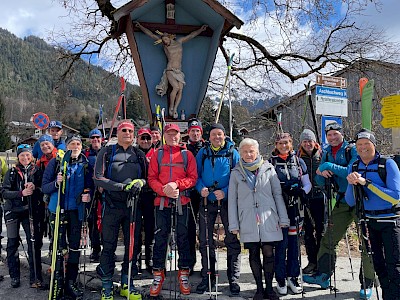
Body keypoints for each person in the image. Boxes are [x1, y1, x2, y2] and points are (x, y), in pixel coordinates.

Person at [303, 122, 375, 300]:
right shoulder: (327, 152)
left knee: (367, 243)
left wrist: (328, 166)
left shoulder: (352, 149)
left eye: (336, 134)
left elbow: (350, 172)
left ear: (341, 134)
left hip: (361, 200)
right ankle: (324, 275)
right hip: (343, 200)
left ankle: (367, 282)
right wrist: (321, 174)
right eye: (330, 135)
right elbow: (321, 182)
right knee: (329, 238)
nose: (333, 137)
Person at [228, 138, 289, 300]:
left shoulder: (268, 169)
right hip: (247, 219)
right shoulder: (236, 173)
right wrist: (233, 224)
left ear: (257, 152)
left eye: (251, 151)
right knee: (253, 253)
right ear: (240, 153)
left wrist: (283, 218)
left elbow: (277, 194)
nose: (248, 154)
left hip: (268, 218)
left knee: (269, 253)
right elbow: (232, 200)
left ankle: (270, 288)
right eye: (245, 151)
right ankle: (259, 289)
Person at [94, 120, 147, 300]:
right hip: (112, 206)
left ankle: (127, 283)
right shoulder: (107, 152)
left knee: (132, 248)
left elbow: (147, 178)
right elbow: (98, 178)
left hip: (132, 207)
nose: (127, 133)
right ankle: (107, 285)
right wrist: (120, 187)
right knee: (108, 246)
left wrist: (141, 182)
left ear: (134, 134)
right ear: (118, 133)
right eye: (123, 130)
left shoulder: (138, 154)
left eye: (130, 131)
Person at [345, 129, 400, 300]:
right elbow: (350, 201)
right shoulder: (354, 166)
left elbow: (395, 197)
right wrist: (351, 183)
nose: (362, 148)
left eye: (366, 144)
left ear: (374, 145)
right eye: (359, 145)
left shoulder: (387, 164)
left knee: (395, 266)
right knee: (379, 265)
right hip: (369, 221)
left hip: (390, 221)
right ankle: (387, 295)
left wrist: (366, 183)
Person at [147, 123, 197, 296]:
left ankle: (183, 273)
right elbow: (151, 178)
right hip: (161, 202)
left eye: (175, 134)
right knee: (160, 237)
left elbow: (192, 178)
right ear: (164, 136)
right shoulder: (157, 155)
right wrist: (163, 190)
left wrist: (176, 185)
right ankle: (158, 274)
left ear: (180, 135)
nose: (172, 137)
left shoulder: (187, 155)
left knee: (183, 238)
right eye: (169, 134)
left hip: (181, 201)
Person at [42, 134, 93, 299]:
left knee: (74, 248)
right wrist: (56, 183)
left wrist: (89, 194)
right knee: (59, 248)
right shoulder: (56, 162)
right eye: (72, 144)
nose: (75, 146)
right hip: (58, 210)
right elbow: (44, 187)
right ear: (67, 146)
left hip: (76, 212)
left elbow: (90, 185)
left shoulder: (85, 164)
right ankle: (57, 280)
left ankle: (70, 282)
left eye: (78, 144)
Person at [195, 123, 242, 296]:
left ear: (224, 136)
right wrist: (200, 188)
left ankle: (233, 279)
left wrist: (227, 191)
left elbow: (239, 176)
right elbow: (196, 175)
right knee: (206, 241)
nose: (217, 137)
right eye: (214, 134)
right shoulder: (203, 153)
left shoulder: (232, 153)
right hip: (207, 201)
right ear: (209, 137)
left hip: (227, 201)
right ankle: (208, 276)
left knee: (231, 240)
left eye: (220, 134)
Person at [136, 22, 208, 119]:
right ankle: (171, 107)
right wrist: (140, 26)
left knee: (181, 89)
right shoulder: (165, 46)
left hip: (179, 71)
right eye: (163, 40)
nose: (165, 41)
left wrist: (201, 30)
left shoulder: (179, 41)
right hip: (170, 70)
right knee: (176, 88)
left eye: (165, 39)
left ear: (170, 37)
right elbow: (151, 35)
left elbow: (191, 36)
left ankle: (175, 109)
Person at [270, 132, 311, 295]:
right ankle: (280, 279)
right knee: (281, 245)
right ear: (276, 145)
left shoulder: (299, 161)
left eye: (286, 142)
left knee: (294, 245)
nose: (284, 146)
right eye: (280, 143)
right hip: (279, 210)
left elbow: (307, 184)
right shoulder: (271, 162)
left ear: (291, 143)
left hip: (295, 209)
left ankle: (292, 277)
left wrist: (301, 191)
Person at [2, 144, 44, 288]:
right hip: (12, 211)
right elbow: (4, 192)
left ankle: (35, 277)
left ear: (31, 156)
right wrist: (21, 193)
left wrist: (35, 187)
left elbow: (43, 189)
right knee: (12, 243)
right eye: (22, 155)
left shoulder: (36, 170)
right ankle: (15, 276)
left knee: (33, 243)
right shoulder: (12, 172)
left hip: (29, 211)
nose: (25, 158)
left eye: (27, 155)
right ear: (18, 157)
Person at [297, 129, 325, 274]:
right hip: (305, 198)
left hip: (321, 198)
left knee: (321, 231)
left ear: (315, 142)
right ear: (301, 143)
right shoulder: (297, 157)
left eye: (310, 141)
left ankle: (322, 262)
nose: (308, 144)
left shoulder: (322, 155)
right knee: (307, 232)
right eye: (305, 141)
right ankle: (312, 262)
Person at [186, 118, 205, 272]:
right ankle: (190, 261)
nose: (195, 133)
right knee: (189, 229)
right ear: (188, 133)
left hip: (204, 191)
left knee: (205, 229)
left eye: (197, 130)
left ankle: (206, 264)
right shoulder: (184, 149)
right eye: (192, 131)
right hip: (190, 192)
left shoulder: (206, 148)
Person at [135, 127, 156, 273]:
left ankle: (150, 261)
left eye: (148, 138)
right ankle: (135, 261)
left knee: (151, 230)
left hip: (151, 195)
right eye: (142, 138)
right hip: (136, 196)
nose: (145, 141)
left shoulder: (156, 154)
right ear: (137, 139)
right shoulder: (132, 153)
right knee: (135, 230)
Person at [84, 128, 103, 262]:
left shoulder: (107, 152)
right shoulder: (86, 154)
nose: (95, 140)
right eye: (93, 138)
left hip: (104, 190)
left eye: (98, 138)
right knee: (92, 222)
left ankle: (108, 249)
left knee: (106, 222)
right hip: (91, 191)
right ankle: (95, 249)